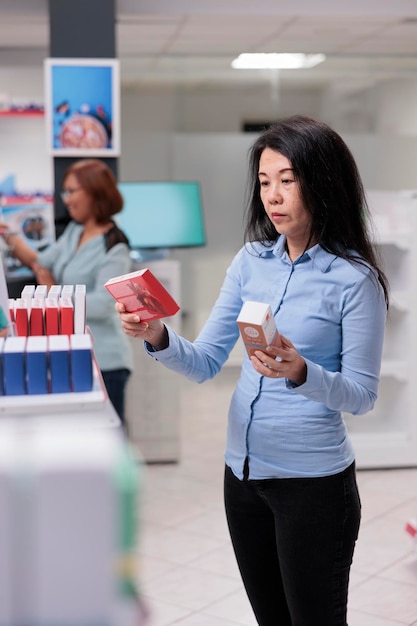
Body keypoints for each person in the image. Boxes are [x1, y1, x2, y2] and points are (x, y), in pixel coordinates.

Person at [116, 115, 389, 626]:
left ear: (323, 181)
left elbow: (362, 395)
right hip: (242, 477)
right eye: (265, 182)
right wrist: (155, 334)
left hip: (313, 487)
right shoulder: (249, 262)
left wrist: (301, 370)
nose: (274, 195)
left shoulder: (355, 280)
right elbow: (204, 363)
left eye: (288, 179)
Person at [0, 159, 133, 427]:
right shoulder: (75, 231)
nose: (67, 199)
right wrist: (8, 235)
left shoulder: (115, 245)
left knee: (108, 437)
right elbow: (41, 261)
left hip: (106, 359)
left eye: (72, 191)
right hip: (74, 351)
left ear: (95, 192)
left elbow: (103, 304)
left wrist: (52, 292)